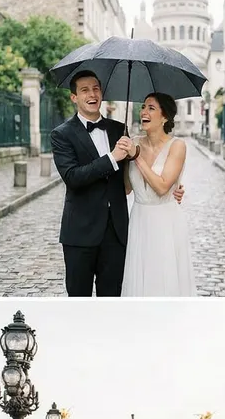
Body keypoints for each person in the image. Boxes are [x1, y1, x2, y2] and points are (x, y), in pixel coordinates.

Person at [51, 71, 184, 296]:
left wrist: (174, 188)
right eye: (84, 90)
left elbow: (131, 181)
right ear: (74, 97)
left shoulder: (118, 131)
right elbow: (73, 177)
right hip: (80, 233)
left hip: (118, 233)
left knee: (114, 299)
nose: (92, 94)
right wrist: (112, 158)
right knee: (77, 300)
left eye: (96, 88)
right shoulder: (61, 134)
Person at [119, 92, 197, 296]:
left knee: (165, 277)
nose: (143, 111)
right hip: (140, 220)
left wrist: (136, 157)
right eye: (143, 107)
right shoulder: (133, 141)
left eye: (151, 108)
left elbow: (162, 187)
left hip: (166, 223)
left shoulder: (177, 146)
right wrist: (123, 158)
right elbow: (127, 188)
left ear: (165, 117)